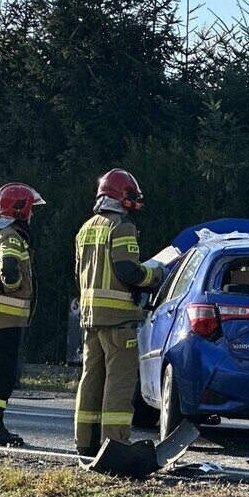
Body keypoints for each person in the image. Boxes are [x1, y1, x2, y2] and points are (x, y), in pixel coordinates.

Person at [73, 169, 164, 458]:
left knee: (91, 379)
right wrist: (155, 275)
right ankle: (115, 443)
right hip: (119, 320)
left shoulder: (85, 228)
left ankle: (85, 441)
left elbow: (79, 274)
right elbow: (128, 271)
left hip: (90, 318)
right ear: (123, 196)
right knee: (119, 382)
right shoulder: (122, 227)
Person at [0, 183, 45, 446]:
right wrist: (12, 286)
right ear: (21, 209)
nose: (32, 214)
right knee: (2, 372)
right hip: (7, 317)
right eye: (31, 209)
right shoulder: (11, 237)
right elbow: (10, 270)